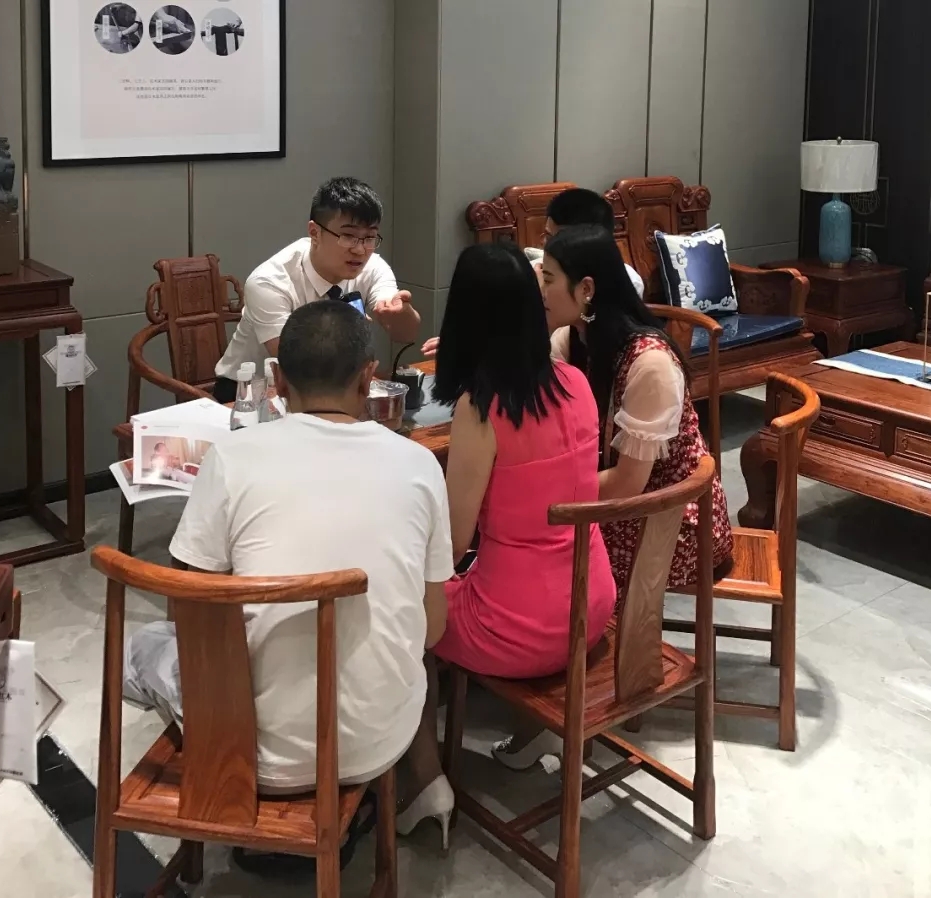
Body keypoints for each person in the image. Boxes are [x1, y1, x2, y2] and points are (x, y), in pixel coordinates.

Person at [124, 300, 453, 805]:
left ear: (277, 381)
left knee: (148, 642)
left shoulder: (230, 458)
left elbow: (190, 618)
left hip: (248, 753)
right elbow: (432, 630)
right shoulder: (420, 464)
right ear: (368, 378)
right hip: (382, 743)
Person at [396, 243, 616, 848]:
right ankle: (529, 731)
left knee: (408, 618)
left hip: (519, 626)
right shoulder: (575, 382)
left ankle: (423, 781)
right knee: (464, 586)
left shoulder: (481, 408)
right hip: (591, 604)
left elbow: (450, 544)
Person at [542, 224, 733, 590]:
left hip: (670, 520)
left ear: (586, 289)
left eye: (549, 280)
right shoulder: (575, 338)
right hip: (622, 506)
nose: (542, 291)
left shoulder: (649, 363)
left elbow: (626, 483)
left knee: (540, 553)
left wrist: (547, 496)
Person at [213, 177, 420, 402]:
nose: (360, 250)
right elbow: (296, 366)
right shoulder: (269, 281)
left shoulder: (372, 267)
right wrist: (345, 332)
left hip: (333, 389)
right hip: (247, 392)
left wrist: (401, 313)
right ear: (314, 232)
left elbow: (405, 334)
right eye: (348, 236)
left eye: (369, 237)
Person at [420, 187, 642, 359]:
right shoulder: (530, 270)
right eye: (546, 235)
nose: (546, 245)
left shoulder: (621, 282)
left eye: (555, 239)